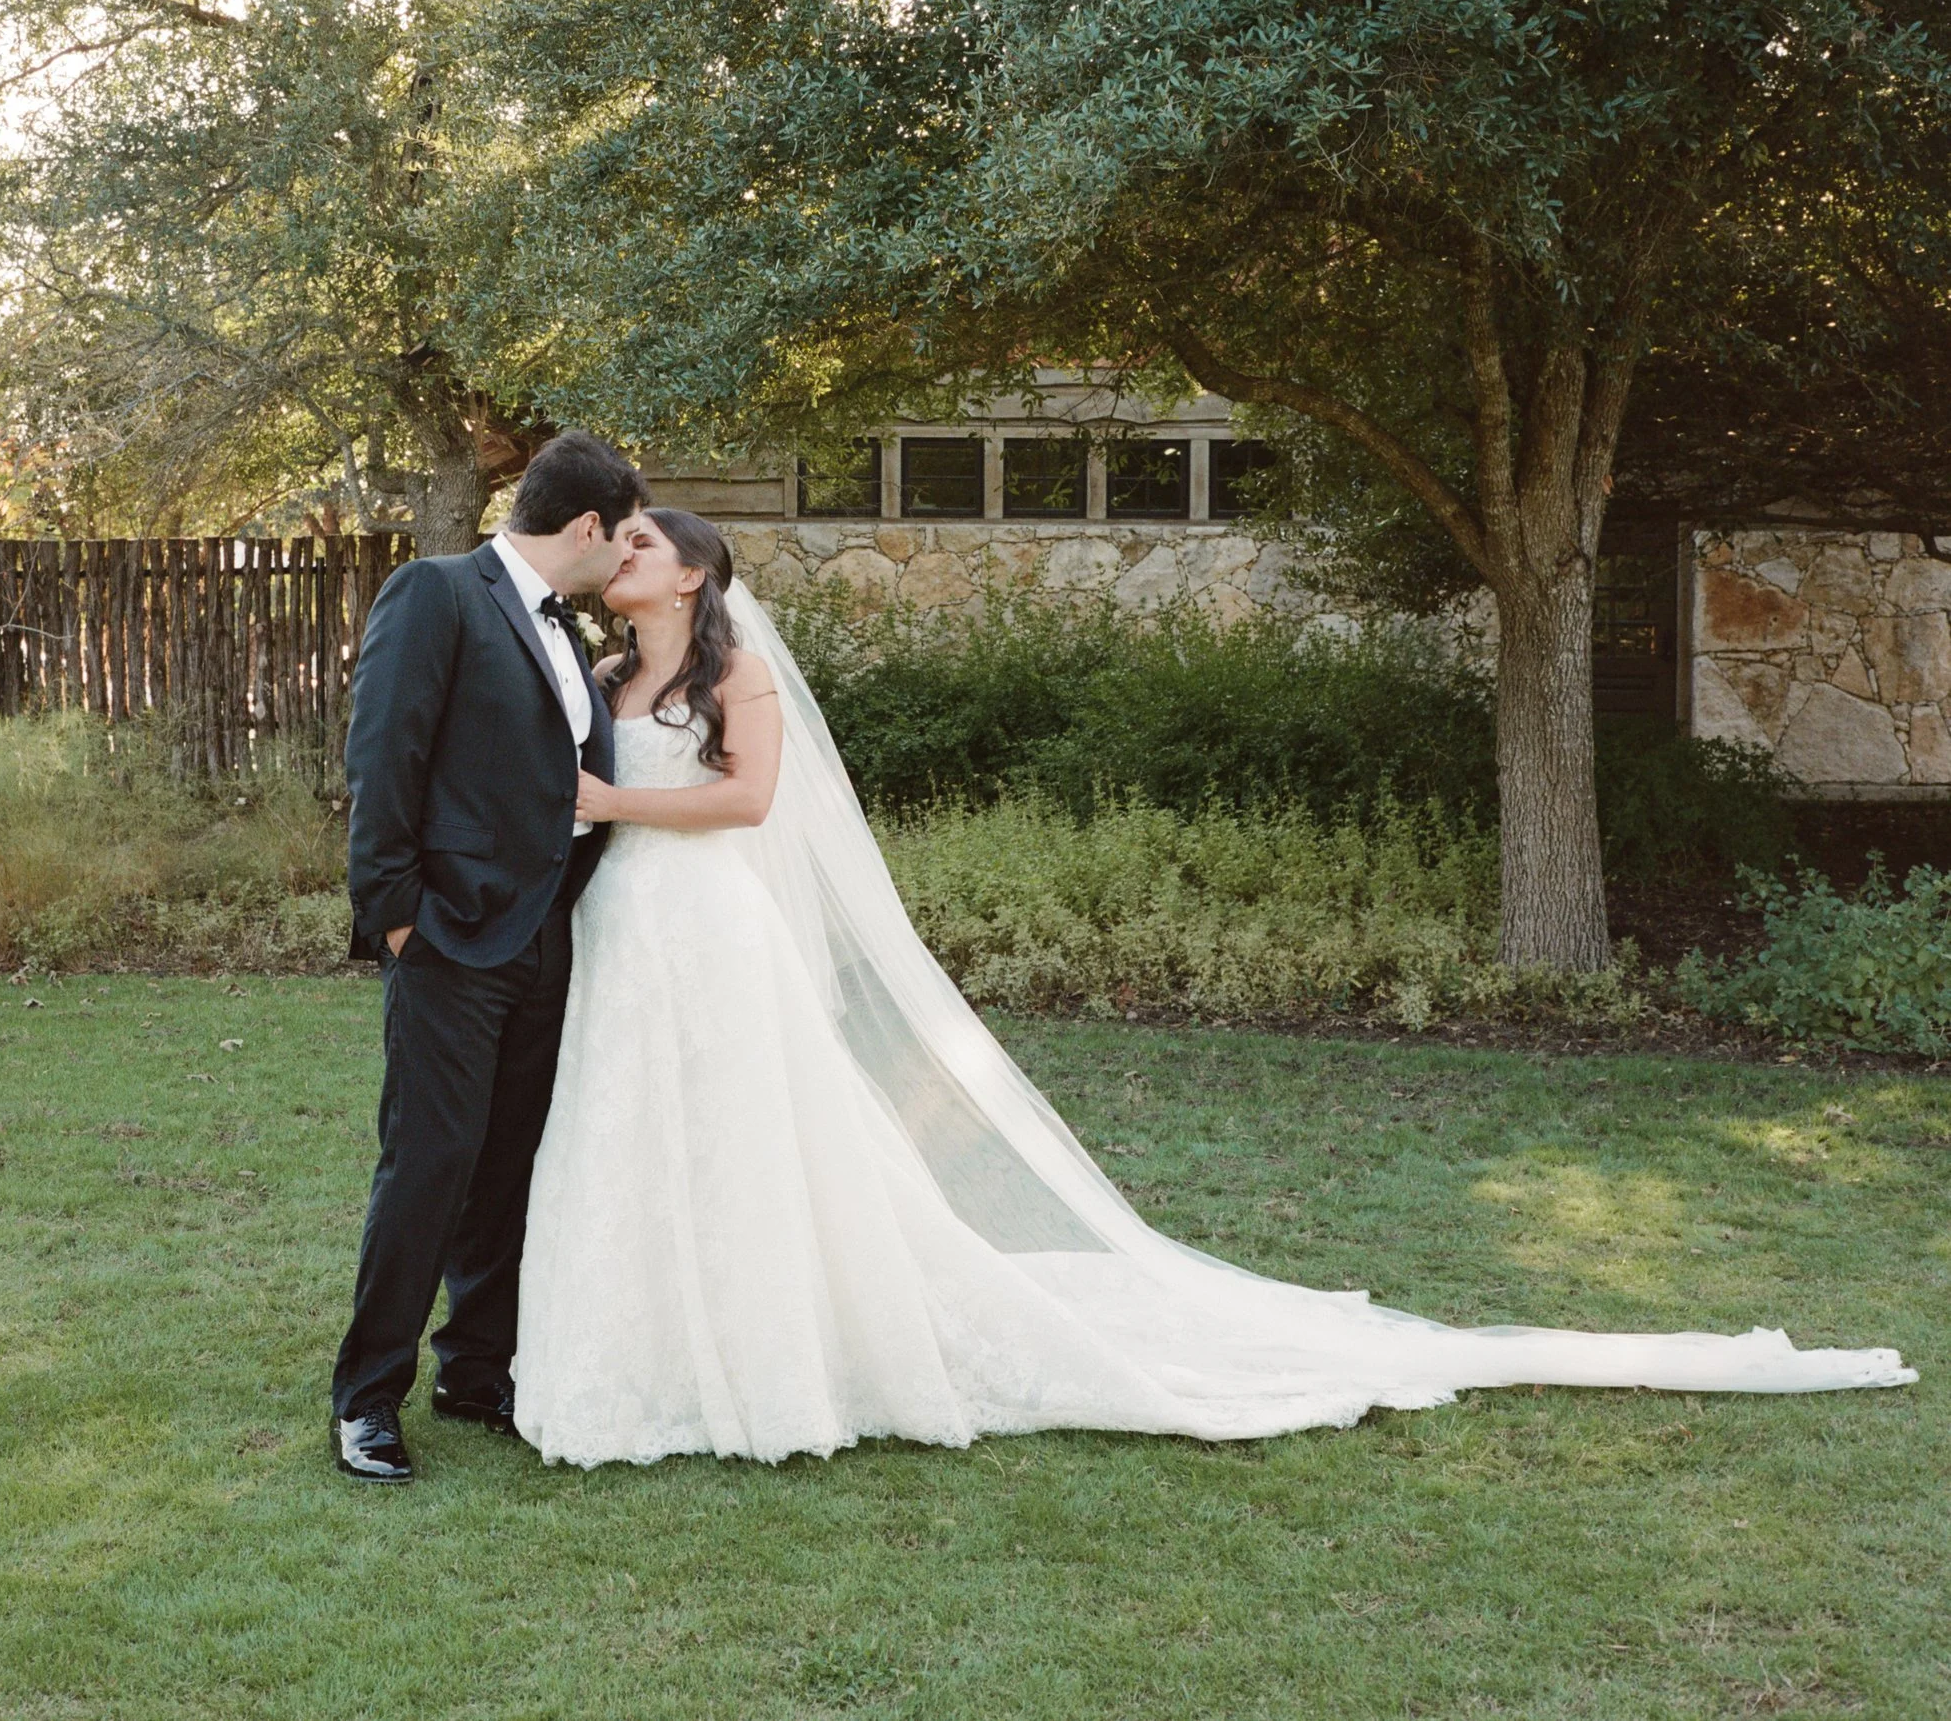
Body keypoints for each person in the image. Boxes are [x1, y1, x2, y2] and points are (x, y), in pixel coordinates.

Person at [508, 508, 1914, 1469]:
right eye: (615, 538)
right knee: (642, 1134)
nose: (617, 550)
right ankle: (644, 1356)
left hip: (713, 927)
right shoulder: (612, 668)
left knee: (747, 1144)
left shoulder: (738, 681)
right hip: (632, 931)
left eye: (639, 542)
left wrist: (599, 803)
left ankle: (756, 1362)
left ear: (693, 574)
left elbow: (753, 805)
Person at [331, 429, 648, 1483]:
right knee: (428, 1161)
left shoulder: (564, 633)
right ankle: (368, 1397)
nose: (627, 558)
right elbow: (383, 755)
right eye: (625, 536)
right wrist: (395, 917)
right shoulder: (437, 591)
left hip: (544, 934)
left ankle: (476, 1369)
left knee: (509, 1163)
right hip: (450, 936)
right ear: (588, 526)